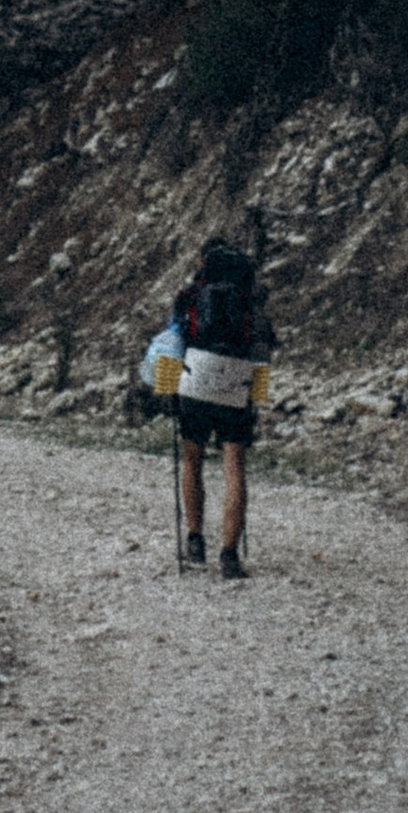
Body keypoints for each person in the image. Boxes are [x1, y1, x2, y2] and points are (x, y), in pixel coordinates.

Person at [161, 238, 275, 579]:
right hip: (236, 380)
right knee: (234, 466)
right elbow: (263, 349)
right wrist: (255, 394)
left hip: (196, 376)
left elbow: (173, 340)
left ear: (203, 262)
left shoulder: (192, 294)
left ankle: (195, 541)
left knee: (192, 460)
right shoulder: (251, 298)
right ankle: (229, 556)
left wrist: (168, 387)